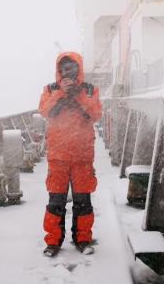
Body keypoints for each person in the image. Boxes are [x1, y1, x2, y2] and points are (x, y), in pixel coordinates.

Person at [38, 52, 102, 257]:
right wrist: (61, 93)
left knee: (83, 202)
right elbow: (45, 111)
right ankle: (53, 242)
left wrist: (77, 95)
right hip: (58, 157)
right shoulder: (50, 89)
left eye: (72, 67)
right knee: (55, 202)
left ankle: (82, 239)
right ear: (59, 70)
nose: (68, 71)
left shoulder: (90, 90)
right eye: (64, 67)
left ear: (79, 69)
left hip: (82, 157)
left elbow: (95, 114)